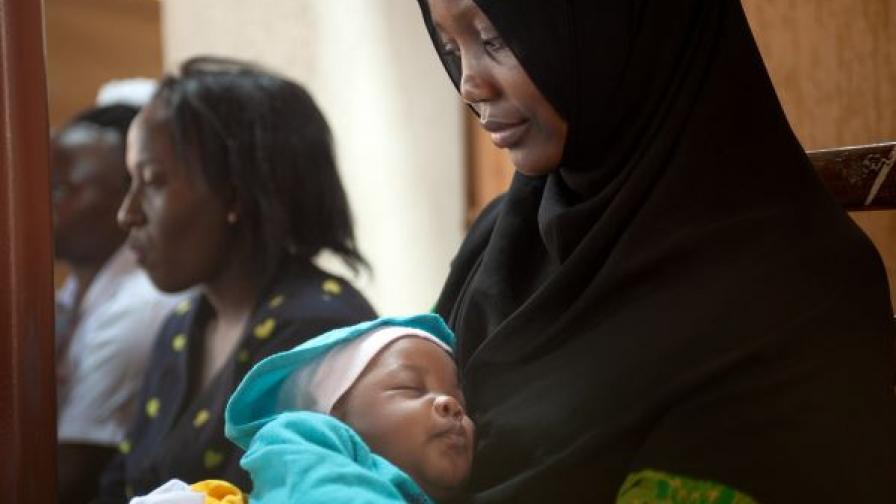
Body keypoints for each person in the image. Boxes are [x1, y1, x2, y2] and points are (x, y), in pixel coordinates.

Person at [417, 1, 896, 502]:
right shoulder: (500, 238)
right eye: (451, 48)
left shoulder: (801, 291)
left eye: (495, 39)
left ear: (623, 31)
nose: (470, 85)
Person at [95, 56, 376, 502]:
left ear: (236, 192)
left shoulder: (318, 332)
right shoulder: (183, 324)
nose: (127, 213)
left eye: (152, 180)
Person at [52, 84, 184, 503]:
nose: (38, 203)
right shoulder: (73, 291)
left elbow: (66, 478)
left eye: (60, 189)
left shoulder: (138, 306)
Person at [223, 314, 474, 503]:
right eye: (410, 387)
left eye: (460, 401)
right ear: (335, 413)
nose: (450, 404)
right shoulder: (299, 436)